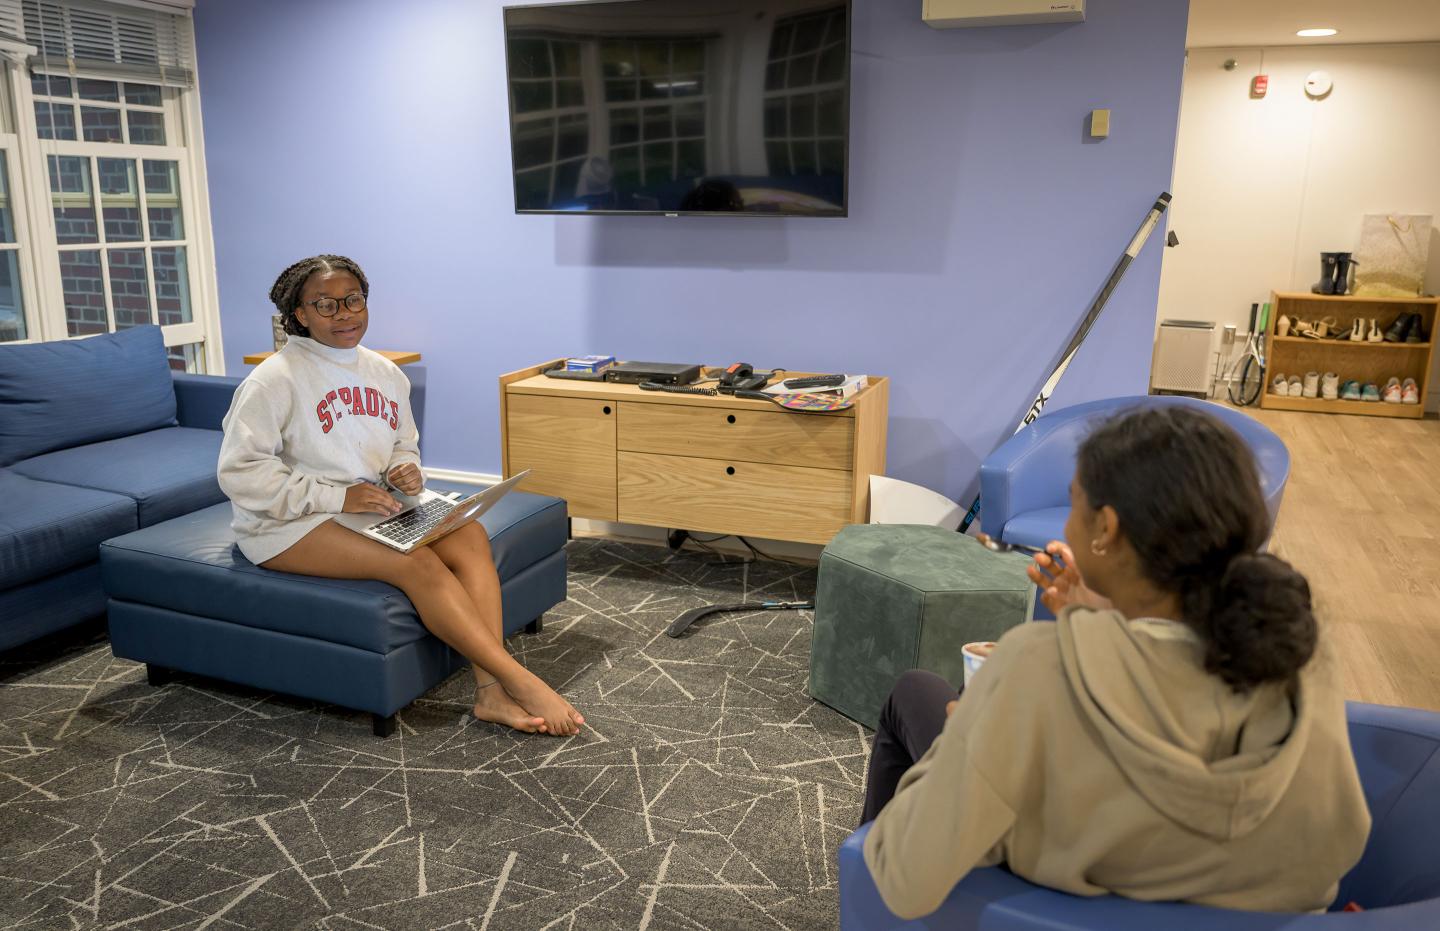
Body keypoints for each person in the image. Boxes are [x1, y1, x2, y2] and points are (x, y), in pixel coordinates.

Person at [860, 406, 1369, 918]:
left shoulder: (1034, 667)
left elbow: (905, 875)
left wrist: (967, 735)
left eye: (1073, 501)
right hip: (1263, 901)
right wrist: (1101, 616)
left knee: (915, 692)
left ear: (1105, 528)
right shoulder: (1298, 645)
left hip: (1056, 901)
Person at [217, 254, 583, 737]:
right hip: (288, 524)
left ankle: (490, 693)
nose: (344, 313)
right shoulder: (274, 379)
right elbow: (239, 474)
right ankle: (519, 679)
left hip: (373, 509)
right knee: (416, 564)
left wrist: (402, 469)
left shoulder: (386, 372)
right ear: (299, 314)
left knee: (470, 536)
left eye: (353, 300)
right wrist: (338, 498)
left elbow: (399, 442)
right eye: (325, 305)